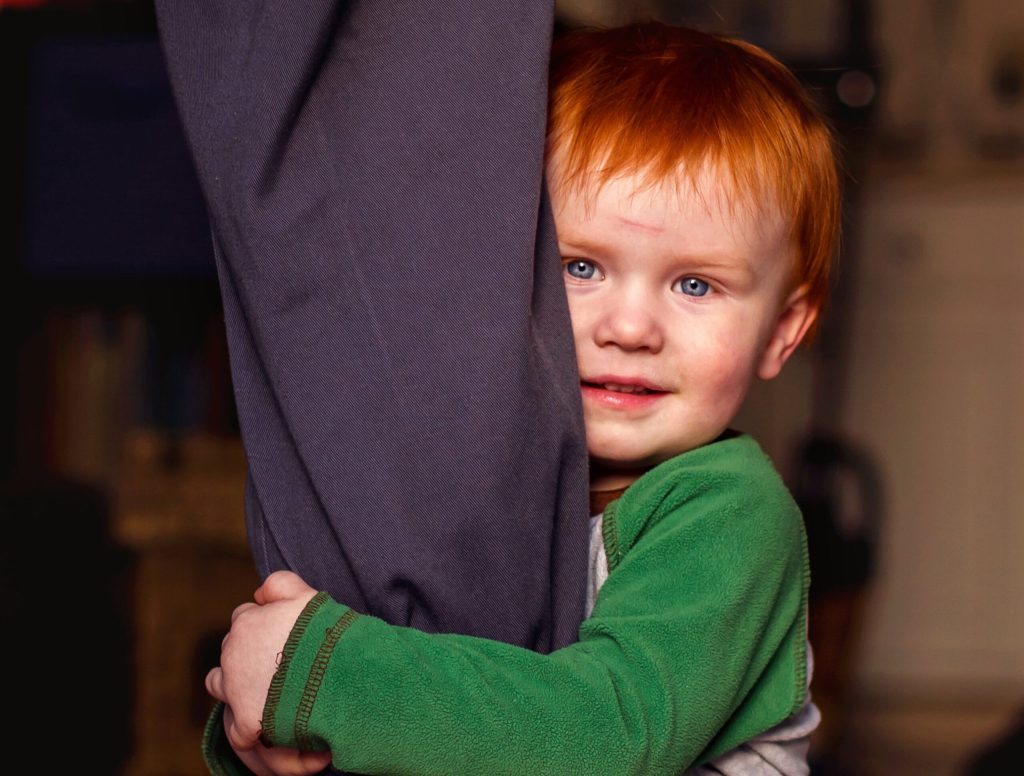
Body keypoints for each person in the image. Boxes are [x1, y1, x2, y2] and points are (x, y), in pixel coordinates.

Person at [205, 21, 841, 776]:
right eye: (580, 267)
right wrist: (273, 730)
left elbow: (610, 732)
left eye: (694, 284)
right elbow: (448, 712)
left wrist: (329, 681)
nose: (630, 327)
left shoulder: (729, 516)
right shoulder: (493, 472)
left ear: (782, 331)